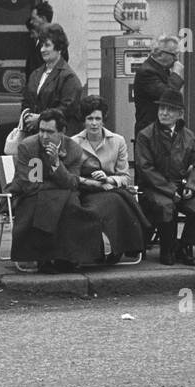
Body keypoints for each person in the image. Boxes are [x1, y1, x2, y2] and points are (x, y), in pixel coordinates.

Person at [9, 108, 105, 271]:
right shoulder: (29, 147)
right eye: (41, 130)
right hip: (31, 194)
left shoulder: (73, 148)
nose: (44, 136)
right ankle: (46, 258)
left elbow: (72, 182)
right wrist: (62, 181)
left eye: (49, 132)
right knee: (56, 202)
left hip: (62, 195)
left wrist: (55, 163)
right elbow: (33, 184)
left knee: (71, 205)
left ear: (61, 132)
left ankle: (67, 257)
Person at [72, 95, 150, 262]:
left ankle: (118, 248)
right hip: (85, 190)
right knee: (97, 207)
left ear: (103, 120)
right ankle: (95, 251)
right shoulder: (74, 143)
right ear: (83, 120)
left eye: (97, 118)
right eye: (89, 118)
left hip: (111, 189)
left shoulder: (117, 141)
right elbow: (71, 175)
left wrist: (108, 179)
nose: (94, 123)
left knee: (114, 201)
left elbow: (125, 177)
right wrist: (90, 181)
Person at [135, 89, 195, 266]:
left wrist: (191, 186)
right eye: (161, 109)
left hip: (181, 185)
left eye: (170, 109)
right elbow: (145, 168)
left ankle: (184, 247)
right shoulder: (146, 135)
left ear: (180, 114)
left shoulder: (188, 136)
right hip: (154, 187)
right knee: (166, 206)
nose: (164, 113)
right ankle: (167, 250)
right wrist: (170, 190)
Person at [20, 24, 83, 135]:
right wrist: (27, 117)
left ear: (59, 48)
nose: (42, 49)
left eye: (47, 45)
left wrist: (40, 119)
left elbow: (66, 109)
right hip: (34, 135)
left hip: (58, 137)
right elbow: (26, 101)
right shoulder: (35, 74)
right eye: (41, 46)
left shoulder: (69, 77)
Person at [133, 34, 184, 136]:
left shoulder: (163, 69)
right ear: (160, 54)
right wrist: (176, 74)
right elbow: (169, 96)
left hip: (164, 129)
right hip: (150, 133)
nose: (176, 60)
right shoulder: (147, 72)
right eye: (174, 55)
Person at [25, 3, 54, 79]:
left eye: (34, 19)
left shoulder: (55, 43)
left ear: (43, 19)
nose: (31, 22)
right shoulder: (37, 41)